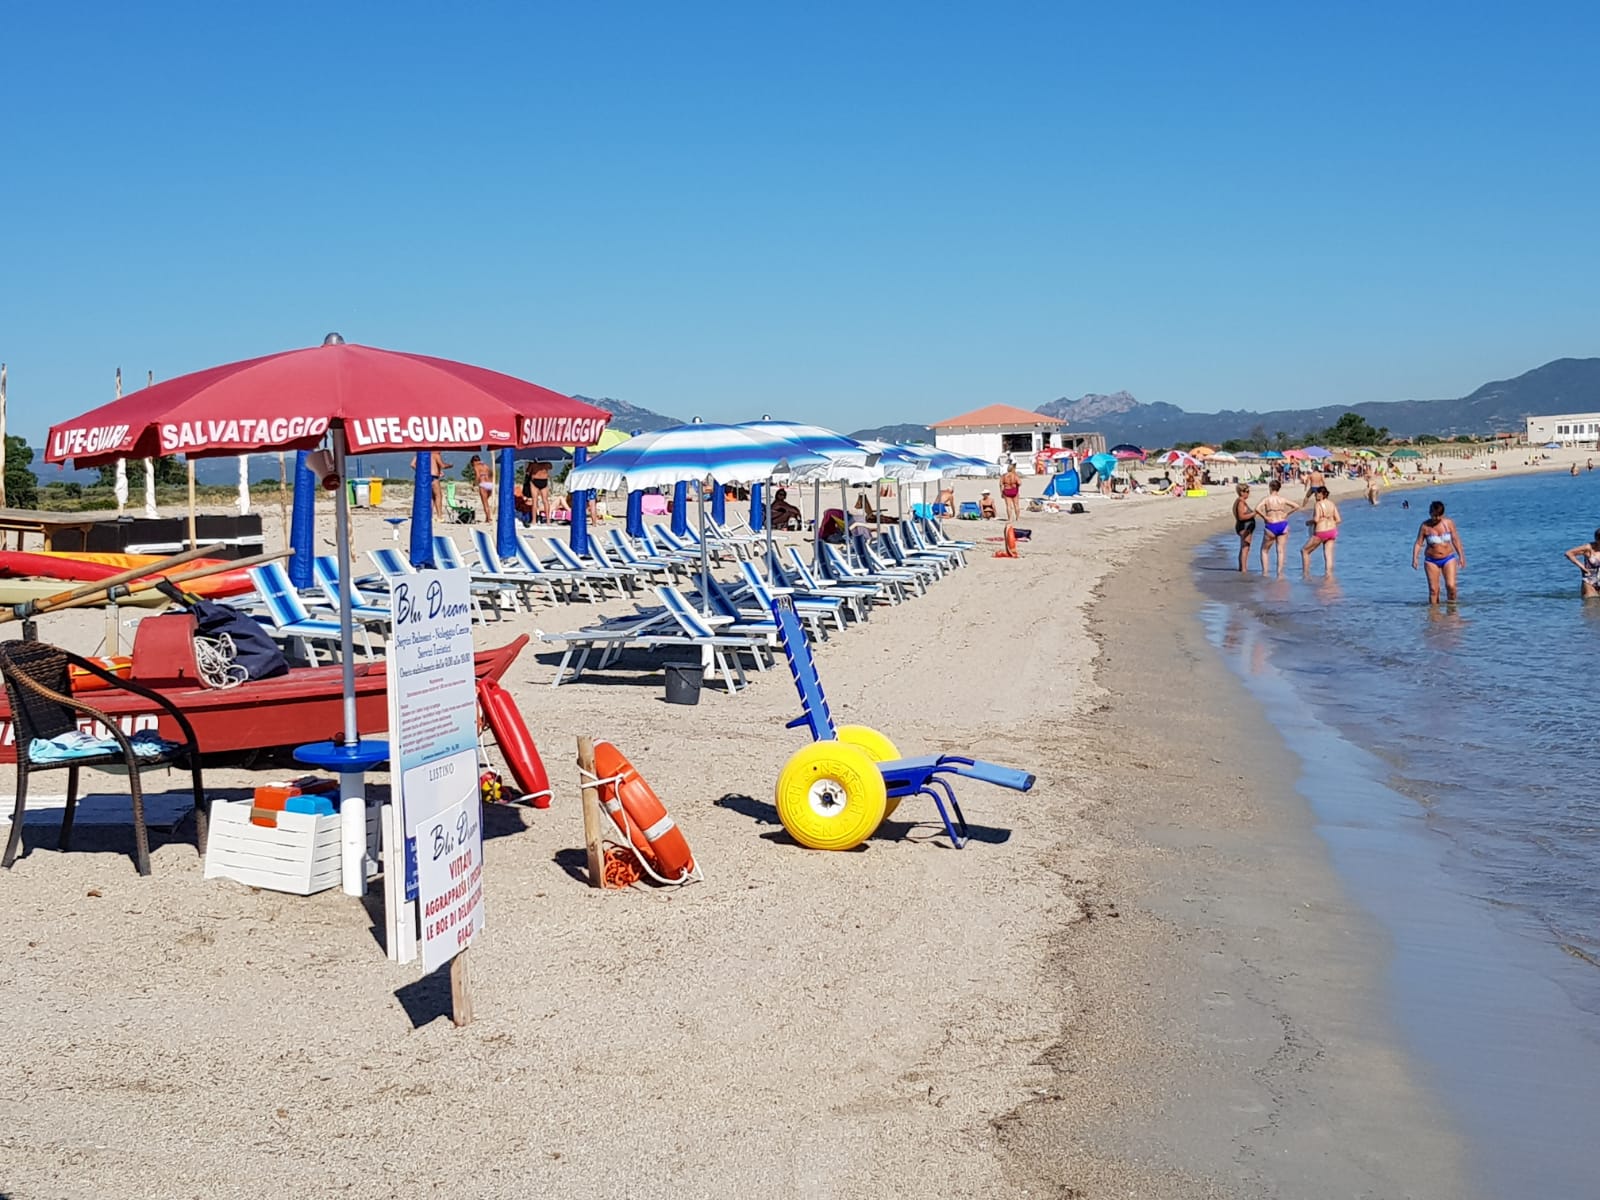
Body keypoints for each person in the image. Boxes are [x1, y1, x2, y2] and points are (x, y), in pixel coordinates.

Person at [1410, 499, 1464, 603]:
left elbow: (1455, 539)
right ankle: (1434, 615)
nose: (1436, 518)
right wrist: (1415, 558)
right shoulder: (1425, 526)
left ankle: (1452, 612)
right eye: (1434, 515)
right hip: (1431, 560)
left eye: (1439, 515)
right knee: (1434, 590)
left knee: (1451, 586)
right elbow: (1418, 543)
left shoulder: (1449, 523)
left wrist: (1461, 556)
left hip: (1448, 558)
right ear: (1430, 513)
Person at [1255, 480, 1299, 575]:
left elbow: (1257, 508)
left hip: (1271, 525)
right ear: (1279, 488)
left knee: (1265, 550)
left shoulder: (1267, 499)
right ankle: (1280, 572)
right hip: (1282, 524)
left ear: (1270, 487)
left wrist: (1265, 517)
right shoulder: (1282, 499)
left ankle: (1265, 572)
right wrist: (1286, 513)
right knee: (1280, 551)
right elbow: (1296, 506)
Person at [1300, 485, 1341, 573]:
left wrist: (1309, 522)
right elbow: (1338, 520)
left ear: (1321, 494)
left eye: (1316, 494)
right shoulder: (1332, 504)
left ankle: (1305, 574)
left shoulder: (1318, 504)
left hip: (1321, 532)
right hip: (1332, 531)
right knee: (1328, 555)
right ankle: (1329, 575)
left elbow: (1316, 519)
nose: (1315, 496)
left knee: (1304, 551)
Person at [410, 450, 452, 518]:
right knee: (438, 496)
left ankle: (429, 515)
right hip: (433, 477)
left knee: (430, 497)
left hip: (424, 478)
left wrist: (422, 471)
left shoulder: (422, 453)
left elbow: (412, 464)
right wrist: (450, 465)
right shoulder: (435, 455)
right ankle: (439, 516)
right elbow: (443, 465)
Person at [1564, 529, 1600, 598]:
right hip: (1589, 582)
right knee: (1590, 605)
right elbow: (1569, 553)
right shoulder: (1588, 548)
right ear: (1597, 539)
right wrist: (1582, 567)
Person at [1230, 483, 1257, 572]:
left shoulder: (1241, 501)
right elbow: (1241, 517)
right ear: (1242, 492)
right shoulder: (1240, 502)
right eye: (1247, 491)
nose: (1248, 493)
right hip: (1244, 527)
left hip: (1246, 526)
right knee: (1245, 547)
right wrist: (1253, 514)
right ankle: (1244, 569)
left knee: (1245, 547)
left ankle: (1242, 567)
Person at [468, 454, 494, 523]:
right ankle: (487, 517)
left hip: (483, 484)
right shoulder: (486, 466)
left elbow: (477, 476)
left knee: (485, 503)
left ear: (474, 461)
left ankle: (488, 518)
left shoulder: (476, 466)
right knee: (487, 502)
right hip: (490, 484)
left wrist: (474, 484)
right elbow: (491, 473)